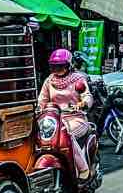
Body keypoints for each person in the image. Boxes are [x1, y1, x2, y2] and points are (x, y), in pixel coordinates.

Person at [36, 48, 93, 178]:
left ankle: (83, 169)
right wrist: (38, 108)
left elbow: (87, 96)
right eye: (54, 67)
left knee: (67, 135)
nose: (57, 70)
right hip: (54, 121)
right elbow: (42, 100)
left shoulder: (78, 79)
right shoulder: (49, 81)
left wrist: (82, 104)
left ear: (68, 65)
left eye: (60, 66)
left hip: (75, 119)